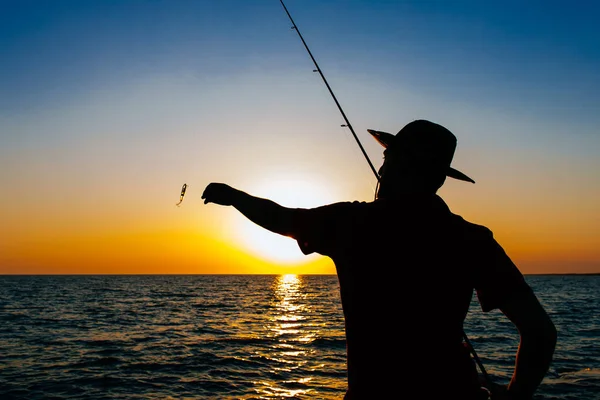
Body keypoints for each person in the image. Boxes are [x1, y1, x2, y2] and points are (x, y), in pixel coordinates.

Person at [202, 119, 557, 400]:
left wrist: (235, 197)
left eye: (387, 158)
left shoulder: (353, 224)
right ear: (439, 180)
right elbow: (540, 331)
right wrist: (516, 396)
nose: (382, 166)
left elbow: (283, 218)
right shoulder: (472, 239)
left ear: (393, 167)